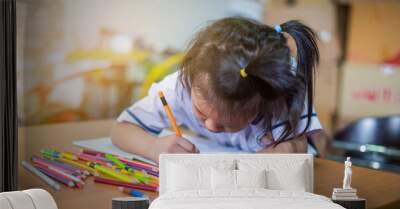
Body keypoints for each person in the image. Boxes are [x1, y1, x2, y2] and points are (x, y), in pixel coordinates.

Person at [111, 17, 323, 162]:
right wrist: (153, 147)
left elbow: (297, 147)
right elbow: (121, 130)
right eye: (201, 113)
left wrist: (270, 158)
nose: (211, 126)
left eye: (225, 123)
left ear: (260, 106)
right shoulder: (180, 87)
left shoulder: (277, 93)